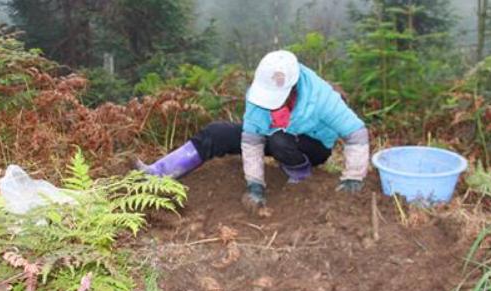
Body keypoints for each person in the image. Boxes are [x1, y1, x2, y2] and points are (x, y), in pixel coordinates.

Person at [134, 50, 369, 209]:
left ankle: (300, 176)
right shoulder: (259, 95)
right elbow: (252, 141)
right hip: (276, 136)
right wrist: (255, 185)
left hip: (312, 146)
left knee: (280, 140)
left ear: (293, 88)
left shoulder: (320, 96)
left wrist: (353, 177)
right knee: (217, 132)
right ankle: (158, 173)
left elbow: (355, 132)